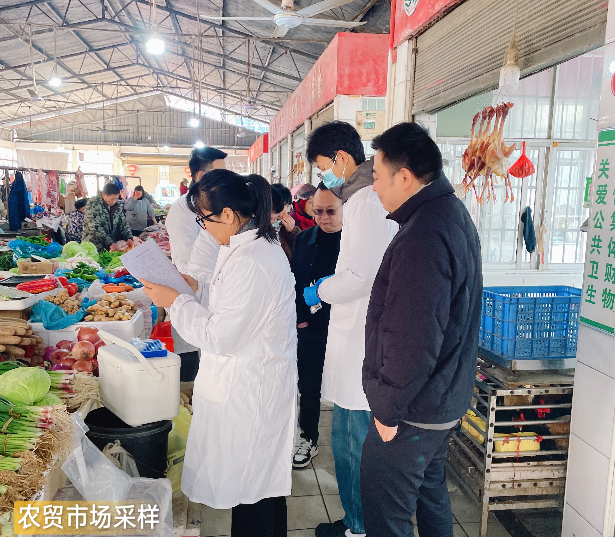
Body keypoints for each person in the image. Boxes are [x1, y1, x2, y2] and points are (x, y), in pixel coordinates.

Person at [139, 170, 297, 537]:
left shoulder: (251, 261)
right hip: (250, 384)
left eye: (205, 220)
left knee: (252, 492)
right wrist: (196, 288)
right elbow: (232, 305)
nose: (204, 228)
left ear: (228, 215)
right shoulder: (247, 248)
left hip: (250, 391)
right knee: (260, 488)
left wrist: (176, 301)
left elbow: (219, 336)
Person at [361, 123, 483, 537]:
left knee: (387, 514)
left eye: (377, 176)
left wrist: (387, 409)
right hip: (441, 400)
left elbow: (413, 338)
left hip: (413, 409)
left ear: (404, 177)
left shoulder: (423, 236)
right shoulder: (450, 213)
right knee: (431, 500)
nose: (374, 186)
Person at [304, 121, 398, 537]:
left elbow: (361, 277)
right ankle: (358, 521)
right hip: (362, 335)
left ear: (342, 158)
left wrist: (320, 290)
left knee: (351, 442)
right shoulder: (365, 197)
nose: (324, 176)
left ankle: (358, 526)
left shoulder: (363, 202)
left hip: (360, 339)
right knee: (349, 436)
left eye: (323, 166)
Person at [291, 183, 343, 468]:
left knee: (347, 387)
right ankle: (308, 437)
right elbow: (294, 281)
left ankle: (349, 443)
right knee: (309, 386)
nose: (323, 217)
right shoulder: (304, 239)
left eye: (330, 211)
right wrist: (299, 316)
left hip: (345, 328)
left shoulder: (355, 242)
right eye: (318, 211)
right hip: (311, 326)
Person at [166, 147, 226, 384]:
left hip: (214, 291)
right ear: (201, 176)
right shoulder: (183, 209)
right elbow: (192, 259)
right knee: (192, 365)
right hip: (193, 290)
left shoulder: (216, 205)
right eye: (219, 174)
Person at [82, 183, 133, 251]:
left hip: (109, 245)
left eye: (116, 198)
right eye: (112, 199)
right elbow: (95, 227)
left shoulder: (117, 205)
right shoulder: (93, 204)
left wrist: (129, 237)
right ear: (103, 195)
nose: (114, 201)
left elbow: (123, 222)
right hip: (93, 245)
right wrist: (110, 242)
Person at [271, 183, 300, 259]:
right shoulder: (263, 225)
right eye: (284, 206)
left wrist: (292, 231)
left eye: (287, 206)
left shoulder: (283, 226)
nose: (286, 211)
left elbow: (299, 247)